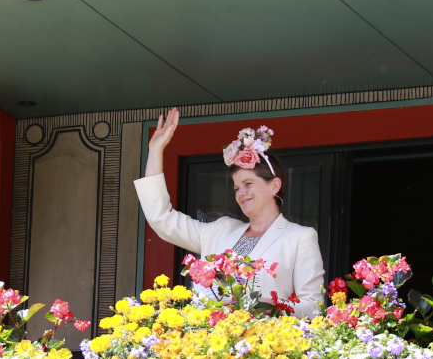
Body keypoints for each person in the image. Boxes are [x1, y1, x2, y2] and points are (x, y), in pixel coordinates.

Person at [134, 108, 325, 318]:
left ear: (274, 186)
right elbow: (162, 219)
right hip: (208, 344)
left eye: (248, 183)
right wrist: (155, 150)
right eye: (236, 188)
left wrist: (273, 306)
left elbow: (314, 308)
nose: (241, 193)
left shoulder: (299, 237)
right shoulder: (220, 230)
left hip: (263, 346)